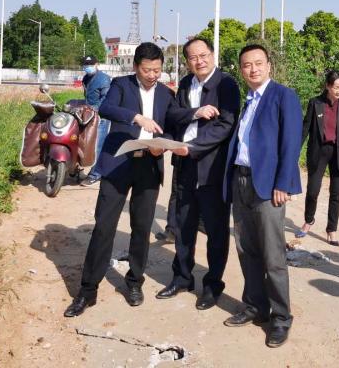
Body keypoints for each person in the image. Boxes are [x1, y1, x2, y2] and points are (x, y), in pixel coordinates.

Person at [64, 42, 175, 317]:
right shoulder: (120, 85)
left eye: (157, 70)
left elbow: (172, 126)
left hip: (149, 166)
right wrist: (136, 117)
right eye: (147, 70)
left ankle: (134, 282)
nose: (152, 75)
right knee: (104, 226)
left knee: (142, 227)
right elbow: (107, 109)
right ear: (136, 66)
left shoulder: (166, 94)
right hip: (118, 164)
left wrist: (163, 145)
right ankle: (88, 290)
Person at [222, 44, 302, 348]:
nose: (253, 69)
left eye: (258, 63)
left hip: (268, 186)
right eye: (247, 65)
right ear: (241, 70)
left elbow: (291, 143)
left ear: (269, 66)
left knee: (273, 255)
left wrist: (284, 183)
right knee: (246, 249)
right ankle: (256, 306)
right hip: (240, 180)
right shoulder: (248, 100)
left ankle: (281, 318)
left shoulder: (283, 96)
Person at [156, 37, 240, 310]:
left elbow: (226, 124)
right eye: (193, 57)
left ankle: (213, 285)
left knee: (216, 231)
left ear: (213, 55)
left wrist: (192, 147)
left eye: (203, 55)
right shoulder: (185, 84)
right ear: (187, 61)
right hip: (184, 165)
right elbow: (173, 115)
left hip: (212, 168)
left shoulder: (226, 84)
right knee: (183, 225)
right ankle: (182, 277)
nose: (199, 61)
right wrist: (195, 113)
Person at [296, 69, 339, 246]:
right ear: (327, 86)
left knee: (336, 194)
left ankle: (332, 229)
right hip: (319, 151)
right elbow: (305, 128)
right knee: (313, 190)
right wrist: (294, 151)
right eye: (336, 87)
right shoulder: (315, 103)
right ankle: (309, 220)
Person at [80, 55, 112, 186]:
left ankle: (95, 174)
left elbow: (106, 98)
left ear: (96, 64)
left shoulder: (104, 79)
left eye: (90, 64)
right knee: (84, 143)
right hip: (88, 115)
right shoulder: (85, 78)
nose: (88, 67)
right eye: (86, 65)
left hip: (101, 116)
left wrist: (95, 109)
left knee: (97, 146)